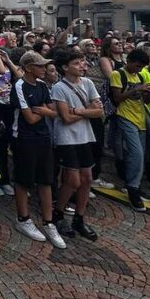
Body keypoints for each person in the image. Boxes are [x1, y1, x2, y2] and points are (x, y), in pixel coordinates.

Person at [10, 51, 65, 247]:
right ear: (28, 68)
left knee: (46, 179)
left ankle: (48, 222)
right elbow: (30, 118)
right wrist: (45, 111)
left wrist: (43, 110)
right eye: (40, 66)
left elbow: (55, 111)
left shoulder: (42, 86)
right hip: (24, 138)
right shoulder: (19, 86)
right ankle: (23, 218)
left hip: (43, 137)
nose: (44, 69)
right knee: (24, 180)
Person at [49, 49, 102, 240]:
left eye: (83, 62)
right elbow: (66, 117)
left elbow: (99, 111)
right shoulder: (59, 88)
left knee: (86, 178)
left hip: (85, 136)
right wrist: (87, 111)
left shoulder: (88, 83)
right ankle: (59, 212)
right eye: (77, 63)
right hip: (67, 137)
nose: (82, 66)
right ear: (65, 67)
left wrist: (78, 110)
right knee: (72, 180)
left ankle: (80, 217)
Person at [110, 49, 150, 212]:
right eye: (137, 66)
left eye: (142, 67)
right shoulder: (118, 74)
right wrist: (136, 89)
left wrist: (148, 92)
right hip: (125, 116)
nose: (139, 69)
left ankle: (134, 184)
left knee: (138, 155)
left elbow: (146, 101)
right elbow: (117, 98)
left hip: (140, 117)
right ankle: (133, 188)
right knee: (136, 153)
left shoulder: (141, 76)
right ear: (128, 61)